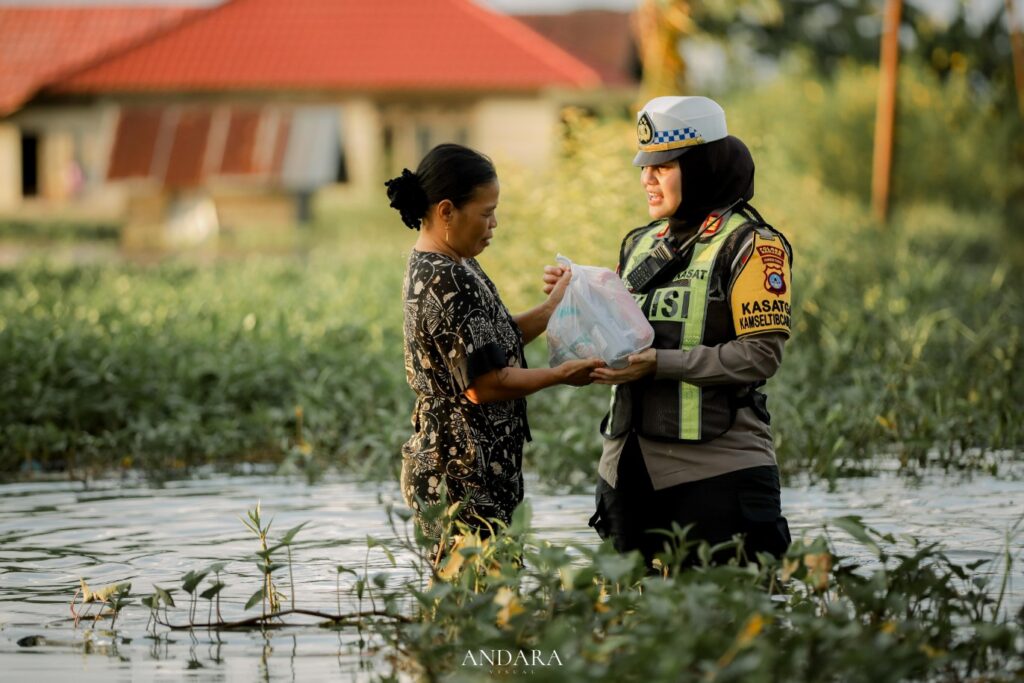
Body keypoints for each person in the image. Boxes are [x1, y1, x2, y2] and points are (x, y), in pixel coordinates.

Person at [544, 96, 793, 569]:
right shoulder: (640, 244)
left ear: (701, 166)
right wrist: (576, 298)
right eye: (645, 166)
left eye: (664, 166)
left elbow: (761, 356)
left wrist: (663, 364)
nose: (647, 179)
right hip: (626, 471)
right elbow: (621, 337)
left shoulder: (752, 245)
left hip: (718, 474)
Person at [386, 143, 602, 550]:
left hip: (472, 468)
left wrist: (555, 305)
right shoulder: (447, 278)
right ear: (446, 211)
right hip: (460, 474)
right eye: (486, 213)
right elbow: (484, 383)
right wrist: (560, 375)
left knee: (479, 601)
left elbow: (493, 342)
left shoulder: (452, 263)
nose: (494, 223)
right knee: (480, 595)